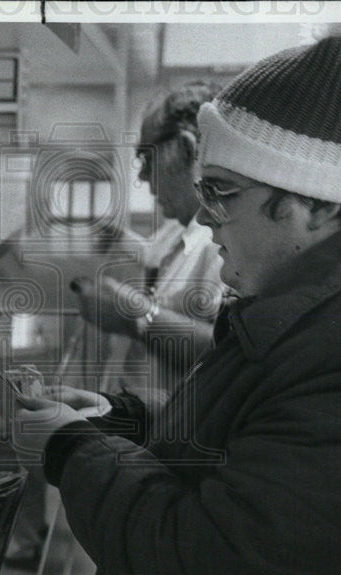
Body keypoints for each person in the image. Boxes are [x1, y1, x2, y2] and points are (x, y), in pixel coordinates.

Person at [11, 23, 341, 575]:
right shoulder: (330, 303)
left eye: (221, 191)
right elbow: (256, 430)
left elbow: (215, 558)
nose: (204, 218)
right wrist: (119, 419)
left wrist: (70, 449)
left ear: (319, 201)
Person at [72, 81, 226, 399]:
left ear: (185, 149)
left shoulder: (223, 246)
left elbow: (224, 359)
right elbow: (149, 254)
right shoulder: (178, 229)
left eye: (147, 158)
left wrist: (134, 315)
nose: (143, 177)